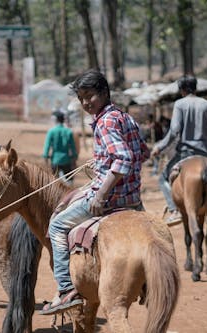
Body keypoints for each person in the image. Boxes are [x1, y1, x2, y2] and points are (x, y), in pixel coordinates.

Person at [40, 69, 150, 315]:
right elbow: (143, 152)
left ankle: (67, 289)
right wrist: (101, 162)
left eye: (89, 96)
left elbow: (122, 159)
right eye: (81, 99)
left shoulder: (105, 122)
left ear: (104, 93)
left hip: (111, 198)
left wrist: (101, 195)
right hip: (133, 198)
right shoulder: (125, 117)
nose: (85, 103)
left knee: (57, 225)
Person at [151, 75, 207, 226]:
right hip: (205, 152)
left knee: (163, 178)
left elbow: (174, 131)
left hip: (186, 152)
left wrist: (159, 147)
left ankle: (174, 210)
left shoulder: (180, 104)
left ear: (182, 90)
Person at [42, 109, 78, 184]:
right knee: (69, 182)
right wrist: (74, 160)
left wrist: (45, 159)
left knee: (54, 183)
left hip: (55, 161)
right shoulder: (68, 131)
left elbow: (47, 147)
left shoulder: (51, 131)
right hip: (66, 161)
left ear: (56, 120)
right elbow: (73, 148)